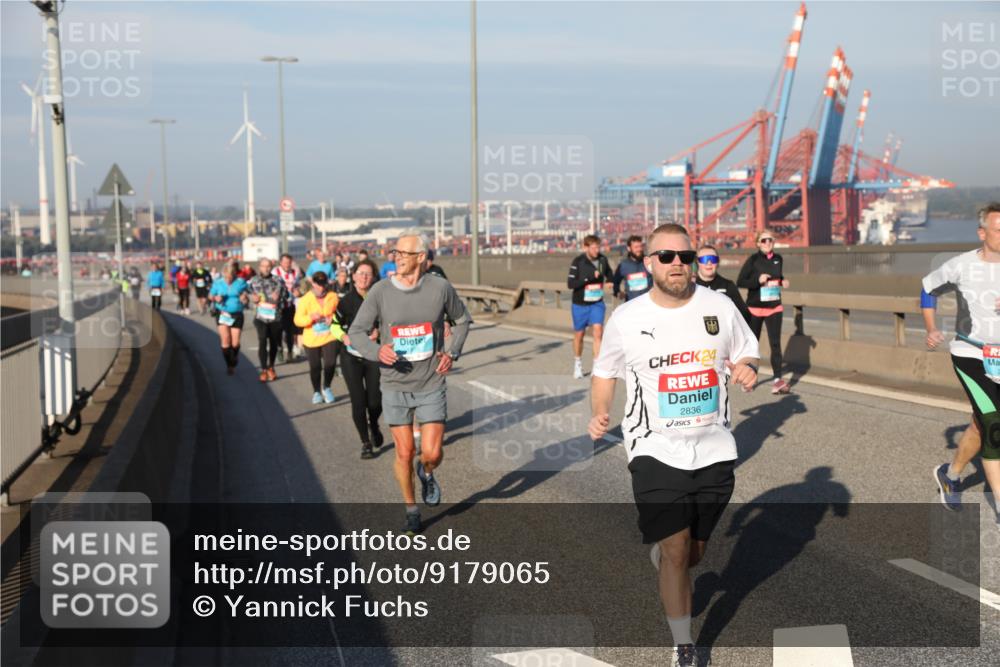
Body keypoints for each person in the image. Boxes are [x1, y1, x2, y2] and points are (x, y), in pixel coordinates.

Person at [588, 223, 759, 666]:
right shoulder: (627, 318)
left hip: (714, 447)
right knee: (677, 549)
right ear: (650, 263)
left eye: (685, 256)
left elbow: (747, 349)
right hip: (652, 447)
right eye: (667, 257)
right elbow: (605, 372)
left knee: (694, 553)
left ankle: (669, 557)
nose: (678, 264)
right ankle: (684, 644)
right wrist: (600, 410)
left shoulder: (719, 306)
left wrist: (747, 368)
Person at [348, 230, 472, 534]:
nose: (397, 258)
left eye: (403, 253)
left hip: (430, 381)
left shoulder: (440, 288)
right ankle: (411, 508)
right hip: (394, 384)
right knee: (403, 452)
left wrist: (452, 352)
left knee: (433, 453)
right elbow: (356, 332)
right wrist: (378, 351)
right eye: (395, 253)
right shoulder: (380, 291)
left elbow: (464, 319)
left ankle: (426, 471)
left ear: (421, 257)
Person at [924, 202, 1000, 519]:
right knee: (995, 423)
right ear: (982, 232)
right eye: (999, 229)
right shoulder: (961, 265)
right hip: (971, 354)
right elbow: (927, 289)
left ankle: (951, 474)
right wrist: (931, 327)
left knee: (981, 424)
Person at [336, 259, 384, 459]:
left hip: (373, 354)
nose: (364, 277)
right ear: (353, 275)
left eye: (368, 273)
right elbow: (334, 325)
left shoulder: (380, 299)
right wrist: (343, 336)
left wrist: (379, 332)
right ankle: (365, 442)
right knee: (358, 400)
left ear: (373, 277)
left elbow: (391, 324)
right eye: (360, 273)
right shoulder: (345, 301)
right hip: (351, 357)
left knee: (374, 401)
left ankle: (374, 424)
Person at [737, 231, 791, 394]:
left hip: (774, 306)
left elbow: (777, 277)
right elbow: (741, 282)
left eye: (770, 240)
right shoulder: (753, 260)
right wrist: (757, 281)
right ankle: (749, 380)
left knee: (775, 344)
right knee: (753, 346)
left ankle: (777, 380)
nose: (768, 242)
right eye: (764, 240)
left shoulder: (778, 259)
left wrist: (783, 281)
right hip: (755, 308)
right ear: (758, 243)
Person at [567, 234, 614, 379]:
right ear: (586, 247)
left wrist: (610, 281)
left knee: (598, 331)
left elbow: (609, 273)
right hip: (580, 304)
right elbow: (571, 284)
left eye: (598, 247)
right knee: (579, 335)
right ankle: (578, 363)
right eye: (593, 247)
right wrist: (588, 279)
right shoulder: (579, 261)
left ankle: (596, 366)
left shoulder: (601, 260)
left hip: (596, 303)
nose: (596, 250)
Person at [294, 271, 344, 404]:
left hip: (330, 335)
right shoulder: (305, 299)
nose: (320, 287)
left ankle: (326, 387)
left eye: (323, 284)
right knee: (315, 367)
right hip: (311, 338)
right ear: (313, 283)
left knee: (330, 363)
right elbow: (297, 320)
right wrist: (310, 318)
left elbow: (340, 314)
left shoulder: (333, 297)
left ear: (326, 283)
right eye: (317, 283)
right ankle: (316, 391)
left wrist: (332, 318)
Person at [248, 258, 289, 383]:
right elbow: (247, 295)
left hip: (275, 317)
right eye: (263, 266)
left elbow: (287, 296)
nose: (265, 268)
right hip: (260, 317)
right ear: (259, 267)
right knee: (262, 339)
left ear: (271, 267)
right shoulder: (253, 281)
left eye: (268, 266)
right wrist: (252, 298)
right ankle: (263, 369)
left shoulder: (278, 280)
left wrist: (280, 296)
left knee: (274, 343)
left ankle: (271, 366)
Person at [695, 244, 752, 326]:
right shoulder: (691, 286)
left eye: (713, 259)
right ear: (698, 262)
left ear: (718, 262)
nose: (709, 262)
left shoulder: (728, 286)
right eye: (704, 259)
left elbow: (744, 315)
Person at [209, 262, 250, 375]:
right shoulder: (218, 283)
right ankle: (229, 365)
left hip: (237, 313)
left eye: (230, 277)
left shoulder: (240, 282)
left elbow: (247, 294)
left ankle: (234, 356)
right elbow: (210, 295)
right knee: (225, 340)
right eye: (226, 277)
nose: (228, 280)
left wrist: (244, 298)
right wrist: (215, 298)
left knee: (235, 343)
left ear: (234, 275)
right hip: (222, 313)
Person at [274, 254, 304, 362]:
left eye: (289, 262)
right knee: (278, 330)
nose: (287, 265)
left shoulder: (295, 273)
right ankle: (280, 349)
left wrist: (298, 292)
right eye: (285, 262)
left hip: (291, 305)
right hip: (278, 307)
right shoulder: (275, 272)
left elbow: (299, 288)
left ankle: (290, 352)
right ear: (280, 262)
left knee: (289, 331)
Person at [612, 234, 652, 302]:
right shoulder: (623, 265)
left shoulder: (649, 261)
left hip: (649, 303)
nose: (639, 249)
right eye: (636, 247)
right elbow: (615, 282)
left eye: (640, 246)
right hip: (631, 304)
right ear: (629, 248)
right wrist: (618, 292)